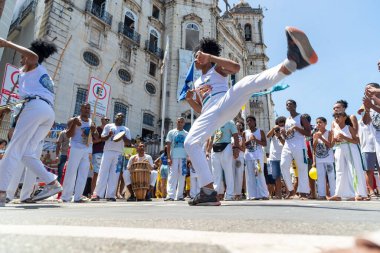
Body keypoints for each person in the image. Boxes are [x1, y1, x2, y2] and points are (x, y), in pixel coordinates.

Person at [183, 27, 317, 206]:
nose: (196, 61)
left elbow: (236, 67)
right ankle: (208, 191)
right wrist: (191, 100)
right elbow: (201, 110)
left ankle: (291, 63)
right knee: (190, 143)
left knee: (245, 82)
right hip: (211, 113)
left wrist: (211, 58)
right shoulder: (198, 82)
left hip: (225, 102)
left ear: (204, 55)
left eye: (198, 56)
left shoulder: (217, 70)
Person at [0, 38, 62, 206]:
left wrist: (6, 43)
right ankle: (52, 183)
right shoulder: (40, 73)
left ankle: (1, 191)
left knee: (13, 149)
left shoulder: (35, 66)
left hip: (36, 108)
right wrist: (7, 108)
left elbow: (33, 57)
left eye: (23, 56)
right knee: (27, 153)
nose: (21, 58)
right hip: (47, 112)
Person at [61, 103, 97, 203]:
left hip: (87, 150)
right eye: (85, 108)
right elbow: (68, 135)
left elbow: (97, 138)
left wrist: (94, 131)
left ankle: (77, 197)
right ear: (80, 109)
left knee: (83, 173)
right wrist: (74, 124)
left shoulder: (91, 122)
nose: (86, 110)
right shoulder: (73, 119)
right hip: (75, 148)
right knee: (71, 172)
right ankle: (66, 197)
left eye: (88, 108)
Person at [92, 113, 131, 201]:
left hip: (119, 153)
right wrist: (109, 135)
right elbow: (102, 138)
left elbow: (128, 143)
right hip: (107, 152)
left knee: (115, 174)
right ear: (115, 117)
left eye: (122, 116)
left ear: (123, 119)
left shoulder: (126, 129)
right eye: (118, 116)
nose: (120, 117)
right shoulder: (108, 126)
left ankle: (111, 195)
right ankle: (97, 194)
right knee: (102, 172)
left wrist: (123, 136)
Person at [330, 112, 367, 201]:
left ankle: (359, 194)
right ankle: (338, 194)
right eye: (335, 117)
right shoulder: (334, 129)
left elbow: (357, 140)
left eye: (338, 116)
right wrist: (334, 140)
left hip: (350, 148)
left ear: (344, 117)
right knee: (339, 171)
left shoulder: (349, 127)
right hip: (339, 149)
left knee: (353, 170)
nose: (336, 118)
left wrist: (344, 137)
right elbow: (331, 145)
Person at [280, 100, 312, 200]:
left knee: (302, 168)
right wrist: (283, 133)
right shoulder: (287, 119)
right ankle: (291, 191)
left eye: (290, 104)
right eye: (287, 104)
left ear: (295, 106)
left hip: (299, 145)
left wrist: (296, 128)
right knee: (283, 166)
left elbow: (308, 133)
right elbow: (286, 136)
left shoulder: (301, 117)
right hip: (288, 145)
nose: (288, 105)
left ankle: (303, 192)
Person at [209, 120, 239, 201]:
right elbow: (212, 137)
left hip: (226, 146)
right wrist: (208, 150)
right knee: (216, 173)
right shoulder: (214, 122)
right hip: (215, 148)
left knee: (228, 171)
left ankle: (230, 194)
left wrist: (236, 148)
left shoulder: (230, 122)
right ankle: (215, 194)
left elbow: (235, 135)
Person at [242, 116, 269, 200]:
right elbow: (242, 145)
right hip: (248, 156)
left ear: (254, 121)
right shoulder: (245, 132)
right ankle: (252, 195)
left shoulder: (260, 131)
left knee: (260, 174)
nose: (249, 122)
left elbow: (265, 144)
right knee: (250, 175)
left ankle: (264, 194)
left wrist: (255, 140)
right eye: (247, 121)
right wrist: (249, 141)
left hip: (257, 157)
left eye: (250, 121)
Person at [165, 117, 188, 201]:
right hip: (173, 156)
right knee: (172, 175)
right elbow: (168, 145)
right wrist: (168, 157)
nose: (180, 123)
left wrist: (188, 157)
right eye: (178, 122)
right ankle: (170, 195)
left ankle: (180, 195)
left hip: (183, 157)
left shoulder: (187, 133)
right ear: (176, 122)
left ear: (184, 123)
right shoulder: (171, 132)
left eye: (182, 122)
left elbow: (188, 146)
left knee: (182, 175)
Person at [312, 117, 335, 200]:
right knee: (320, 176)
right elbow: (314, 148)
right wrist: (316, 139)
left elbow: (330, 145)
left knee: (331, 176)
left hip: (328, 158)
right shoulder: (315, 134)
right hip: (319, 159)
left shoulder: (329, 132)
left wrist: (321, 138)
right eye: (317, 122)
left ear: (325, 123)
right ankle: (321, 194)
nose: (318, 124)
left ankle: (333, 193)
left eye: (320, 122)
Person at [267, 116, 286, 199]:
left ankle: (289, 193)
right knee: (276, 177)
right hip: (274, 157)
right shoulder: (273, 133)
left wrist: (279, 136)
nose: (280, 127)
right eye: (279, 125)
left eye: (283, 125)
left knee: (285, 176)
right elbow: (267, 136)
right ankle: (278, 194)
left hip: (284, 157)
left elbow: (285, 144)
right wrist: (273, 129)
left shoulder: (285, 132)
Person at [91, 116, 108, 194]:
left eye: (108, 120)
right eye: (106, 119)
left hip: (105, 153)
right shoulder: (98, 129)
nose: (107, 121)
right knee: (96, 173)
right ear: (102, 120)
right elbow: (93, 141)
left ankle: (99, 192)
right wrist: (102, 139)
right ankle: (92, 192)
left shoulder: (108, 130)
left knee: (102, 174)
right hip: (98, 152)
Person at [233, 120, 245, 200]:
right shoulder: (231, 136)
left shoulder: (242, 137)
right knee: (231, 175)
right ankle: (232, 193)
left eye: (239, 125)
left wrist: (236, 146)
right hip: (231, 157)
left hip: (240, 157)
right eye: (236, 125)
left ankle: (238, 193)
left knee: (239, 175)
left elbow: (243, 148)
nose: (237, 126)